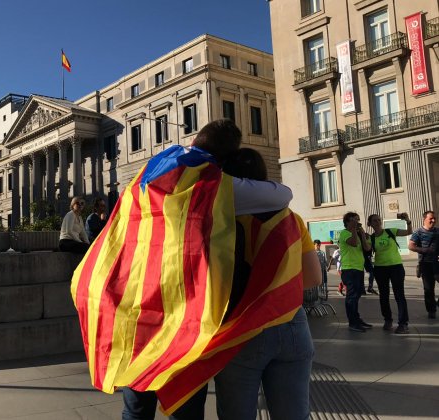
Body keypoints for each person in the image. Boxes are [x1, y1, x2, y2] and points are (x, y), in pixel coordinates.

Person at [118, 124, 295, 420]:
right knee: (183, 404)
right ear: (225, 159)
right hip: (178, 314)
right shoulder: (213, 185)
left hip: (138, 304)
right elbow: (282, 195)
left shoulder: (150, 173)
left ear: (193, 140)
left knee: (136, 406)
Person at [213, 147, 320, 419]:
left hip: (239, 330)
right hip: (291, 324)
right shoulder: (291, 218)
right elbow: (313, 278)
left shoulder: (219, 222)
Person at [367, 213, 412, 333]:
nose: (378, 222)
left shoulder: (390, 231)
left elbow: (408, 232)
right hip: (380, 269)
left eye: (379, 220)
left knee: (399, 295)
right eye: (374, 221)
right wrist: (361, 233)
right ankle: (388, 319)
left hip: (396, 266)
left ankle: (403, 323)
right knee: (384, 295)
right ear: (370, 224)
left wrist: (407, 220)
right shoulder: (371, 238)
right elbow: (366, 249)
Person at [339, 212, 372, 332]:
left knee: (357, 295)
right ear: (348, 221)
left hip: (358, 268)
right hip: (349, 269)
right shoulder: (344, 233)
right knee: (352, 296)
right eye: (354, 220)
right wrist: (353, 229)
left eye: (358, 220)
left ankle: (356, 319)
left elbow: (367, 248)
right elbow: (353, 244)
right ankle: (352, 322)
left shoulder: (357, 234)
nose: (357, 222)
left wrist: (362, 233)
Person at [409, 211, 439, 319]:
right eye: (431, 218)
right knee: (429, 289)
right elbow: (411, 246)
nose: (433, 220)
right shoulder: (418, 232)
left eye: (434, 218)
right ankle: (431, 310)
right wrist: (424, 250)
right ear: (424, 219)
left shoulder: (437, 231)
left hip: (437, 262)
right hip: (425, 263)